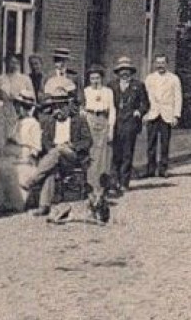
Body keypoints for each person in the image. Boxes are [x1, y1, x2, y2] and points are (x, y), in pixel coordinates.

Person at [22, 75, 94, 218]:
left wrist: (72, 146)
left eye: (61, 106)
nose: (58, 110)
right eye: (55, 107)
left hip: (73, 156)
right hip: (55, 158)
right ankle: (44, 207)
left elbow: (88, 141)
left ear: (68, 106)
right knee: (51, 166)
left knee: (60, 149)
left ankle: (33, 180)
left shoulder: (78, 121)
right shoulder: (49, 122)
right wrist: (54, 149)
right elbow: (45, 142)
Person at [0, 86, 42, 213]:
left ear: (28, 108)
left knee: (13, 168)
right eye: (17, 106)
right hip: (12, 154)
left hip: (25, 156)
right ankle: (2, 201)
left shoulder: (33, 123)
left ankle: (17, 202)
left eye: (21, 106)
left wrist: (30, 156)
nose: (18, 109)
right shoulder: (17, 122)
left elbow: (36, 147)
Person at [110, 57, 149, 193]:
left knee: (127, 153)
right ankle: (113, 182)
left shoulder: (138, 85)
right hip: (115, 123)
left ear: (131, 71)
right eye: (122, 70)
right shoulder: (112, 86)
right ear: (118, 72)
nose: (124, 73)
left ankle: (124, 182)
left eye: (127, 70)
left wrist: (139, 111)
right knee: (115, 154)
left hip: (130, 123)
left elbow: (145, 103)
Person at [142, 55, 181, 179]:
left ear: (167, 64)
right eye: (158, 62)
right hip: (153, 113)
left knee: (165, 143)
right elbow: (144, 98)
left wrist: (176, 115)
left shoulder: (174, 79)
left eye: (163, 63)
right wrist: (145, 113)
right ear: (154, 64)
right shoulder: (149, 78)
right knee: (151, 144)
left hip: (167, 114)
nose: (160, 65)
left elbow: (178, 97)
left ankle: (163, 169)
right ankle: (150, 169)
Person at [81, 66, 115, 207]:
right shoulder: (86, 91)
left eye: (97, 78)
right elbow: (82, 108)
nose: (95, 81)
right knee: (91, 154)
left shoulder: (107, 92)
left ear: (102, 78)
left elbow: (112, 109)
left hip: (103, 119)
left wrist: (111, 128)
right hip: (90, 120)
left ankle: (101, 189)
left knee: (102, 155)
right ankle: (90, 187)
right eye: (92, 78)